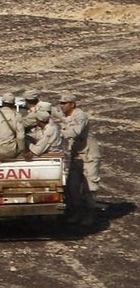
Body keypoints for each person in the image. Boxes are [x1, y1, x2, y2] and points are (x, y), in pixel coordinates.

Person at [58, 93, 102, 226]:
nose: (61, 106)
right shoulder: (66, 115)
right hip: (76, 155)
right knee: (72, 186)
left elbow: (76, 131)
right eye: (60, 103)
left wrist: (58, 134)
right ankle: (77, 213)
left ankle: (90, 214)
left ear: (72, 104)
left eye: (64, 103)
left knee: (89, 186)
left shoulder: (80, 115)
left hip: (88, 155)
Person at [0, 91, 25, 161]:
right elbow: (20, 137)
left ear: (2, 103)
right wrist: (22, 150)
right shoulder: (17, 116)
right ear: (13, 104)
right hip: (11, 151)